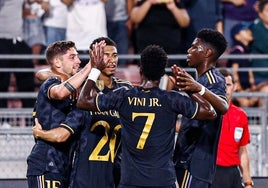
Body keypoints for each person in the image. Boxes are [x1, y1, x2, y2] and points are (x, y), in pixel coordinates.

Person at [77, 42, 218, 187]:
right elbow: (210, 112)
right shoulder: (172, 99)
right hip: (163, 180)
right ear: (163, 73)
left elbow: (83, 101)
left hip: (131, 181)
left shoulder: (123, 95)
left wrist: (94, 70)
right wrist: (189, 88)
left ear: (140, 70)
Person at [31, 37, 133, 187]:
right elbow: (44, 75)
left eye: (115, 55)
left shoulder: (124, 89)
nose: (112, 60)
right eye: (105, 55)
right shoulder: (83, 88)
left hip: (84, 166)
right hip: (52, 164)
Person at [27, 40, 93, 188]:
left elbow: (42, 73)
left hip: (64, 165)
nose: (78, 61)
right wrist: (89, 66)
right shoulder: (50, 83)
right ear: (57, 62)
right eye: (72, 57)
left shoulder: (71, 88)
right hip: (47, 163)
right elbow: (60, 92)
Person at [173, 28, 229, 188]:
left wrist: (198, 88)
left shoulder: (213, 79)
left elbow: (223, 106)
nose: (189, 51)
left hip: (195, 162)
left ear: (207, 53)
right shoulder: (200, 80)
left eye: (194, 47)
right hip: (186, 160)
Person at [211, 68, 254, 188]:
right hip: (212, 172)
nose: (225, 88)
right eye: (221, 84)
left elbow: (242, 151)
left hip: (233, 174)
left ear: (234, 87)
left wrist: (248, 183)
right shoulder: (207, 112)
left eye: (228, 84)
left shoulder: (241, 116)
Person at [130, 0, 190, 67]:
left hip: (171, 53)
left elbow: (185, 22)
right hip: (147, 52)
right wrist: (149, 2)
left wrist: (173, 8)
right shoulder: (144, 2)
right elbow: (135, 18)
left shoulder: (175, 3)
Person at [0, 0, 35, 109]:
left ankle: (31, 118)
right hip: (2, 38)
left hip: (19, 39)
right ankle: (3, 119)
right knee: (2, 80)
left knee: (27, 80)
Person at [63, 0, 108, 67]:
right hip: (76, 41)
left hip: (97, 40)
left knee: (97, 75)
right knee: (76, 75)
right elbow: (66, 1)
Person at [227, 23, 258, 107]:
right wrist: (240, 90)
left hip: (247, 88)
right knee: (245, 103)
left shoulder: (247, 51)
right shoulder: (237, 51)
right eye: (245, 30)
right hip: (237, 88)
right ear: (237, 37)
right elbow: (234, 72)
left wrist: (252, 85)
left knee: (257, 98)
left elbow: (250, 72)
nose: (249, 31)